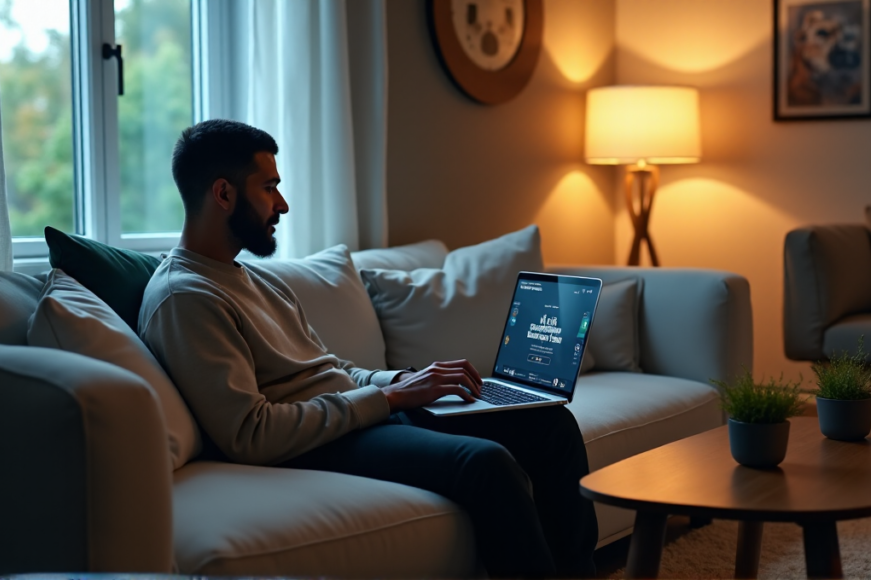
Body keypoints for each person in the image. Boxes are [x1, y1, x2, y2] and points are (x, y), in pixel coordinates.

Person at [139, 119, 598, 578]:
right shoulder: (186, 297)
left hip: (361, 413)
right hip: (318, 442)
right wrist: (387, 399)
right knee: (485, 465)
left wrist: (402, 381)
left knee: (549, 424)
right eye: (269, 188)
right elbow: (250, 434)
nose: (282, 204)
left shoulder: (249, 276)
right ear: (223, 194)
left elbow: (327, 366)